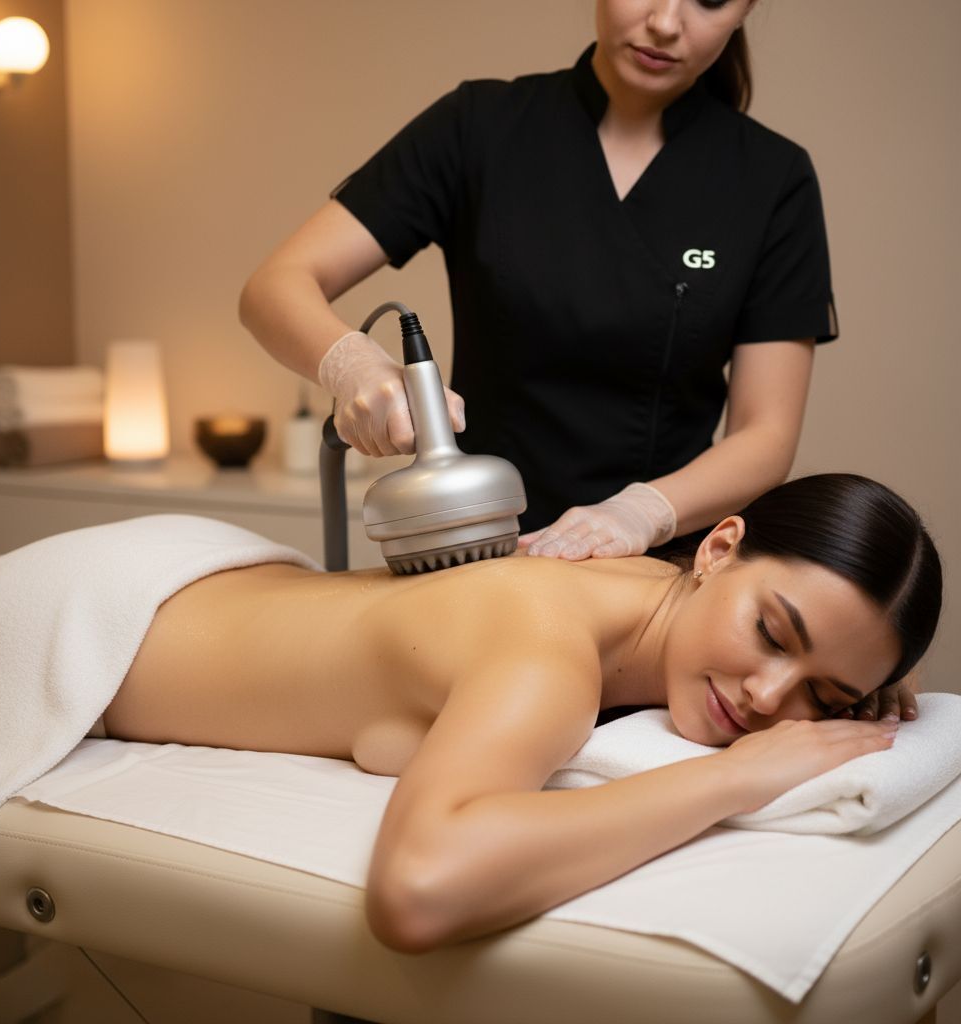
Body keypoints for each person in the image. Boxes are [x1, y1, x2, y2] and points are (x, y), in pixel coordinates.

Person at [101, 474, 942, 952]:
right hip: (112, 619)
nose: (767, 697)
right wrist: (736, 778)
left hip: (209, 580)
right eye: (771, 634)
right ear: (719, 547)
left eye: (820, 695)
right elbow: (417, 890)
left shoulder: (645, 587)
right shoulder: (549, 655)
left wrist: (853, 691)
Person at [239, 0, 836, 565]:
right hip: (474, 551)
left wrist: (644, 512)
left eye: (709, 0)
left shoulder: (771, 179)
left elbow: (765, 435)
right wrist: (352, 364)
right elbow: (276, 286)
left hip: (655, 571)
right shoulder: (480, 126)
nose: (664, 22)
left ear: (746, 8)